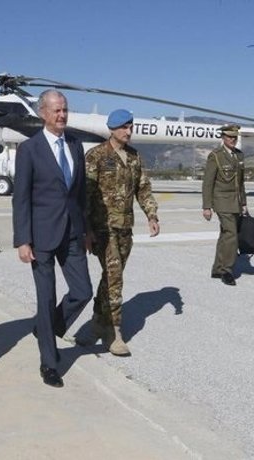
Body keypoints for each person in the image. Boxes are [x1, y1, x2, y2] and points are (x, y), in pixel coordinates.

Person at [12, 89, 93, 388]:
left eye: (65, 110)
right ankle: (50, 363)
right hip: (41, 235)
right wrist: (23, 239)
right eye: (56, 110)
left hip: (72, 232)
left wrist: (85, 230)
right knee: (45, 299)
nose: (62, 115)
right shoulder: (30, 149)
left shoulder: (75, 145)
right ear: (43, 113)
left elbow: (80, 193)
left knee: (83, 291)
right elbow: (20, 198)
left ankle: (47, 329)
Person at [82, 109, 160, 356]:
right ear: (112, 129)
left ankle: (97, 318)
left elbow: (143, 188)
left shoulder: (134, 157)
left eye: (131, 126)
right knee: (115, 277)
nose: (129, 131)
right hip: (102, 228)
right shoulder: (96, 156)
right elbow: (85, 196)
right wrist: (86, 229)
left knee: (110, 277)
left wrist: (152, 215)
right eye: (124, 127)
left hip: (126, 227)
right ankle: (114, 332)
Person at [201, 124, 248, 286]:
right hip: (221, 200)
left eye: (235, 137)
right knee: (231, 234)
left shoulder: (239, 156)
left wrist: (243, 203)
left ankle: (217, 268)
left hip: (235, 201)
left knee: (225, 235)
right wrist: (206, 206)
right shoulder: (216, 156)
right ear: (223, 138)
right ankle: (227, 270)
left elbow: (241, 183)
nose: (232, 140)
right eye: (229, 137)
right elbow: (208, 182)